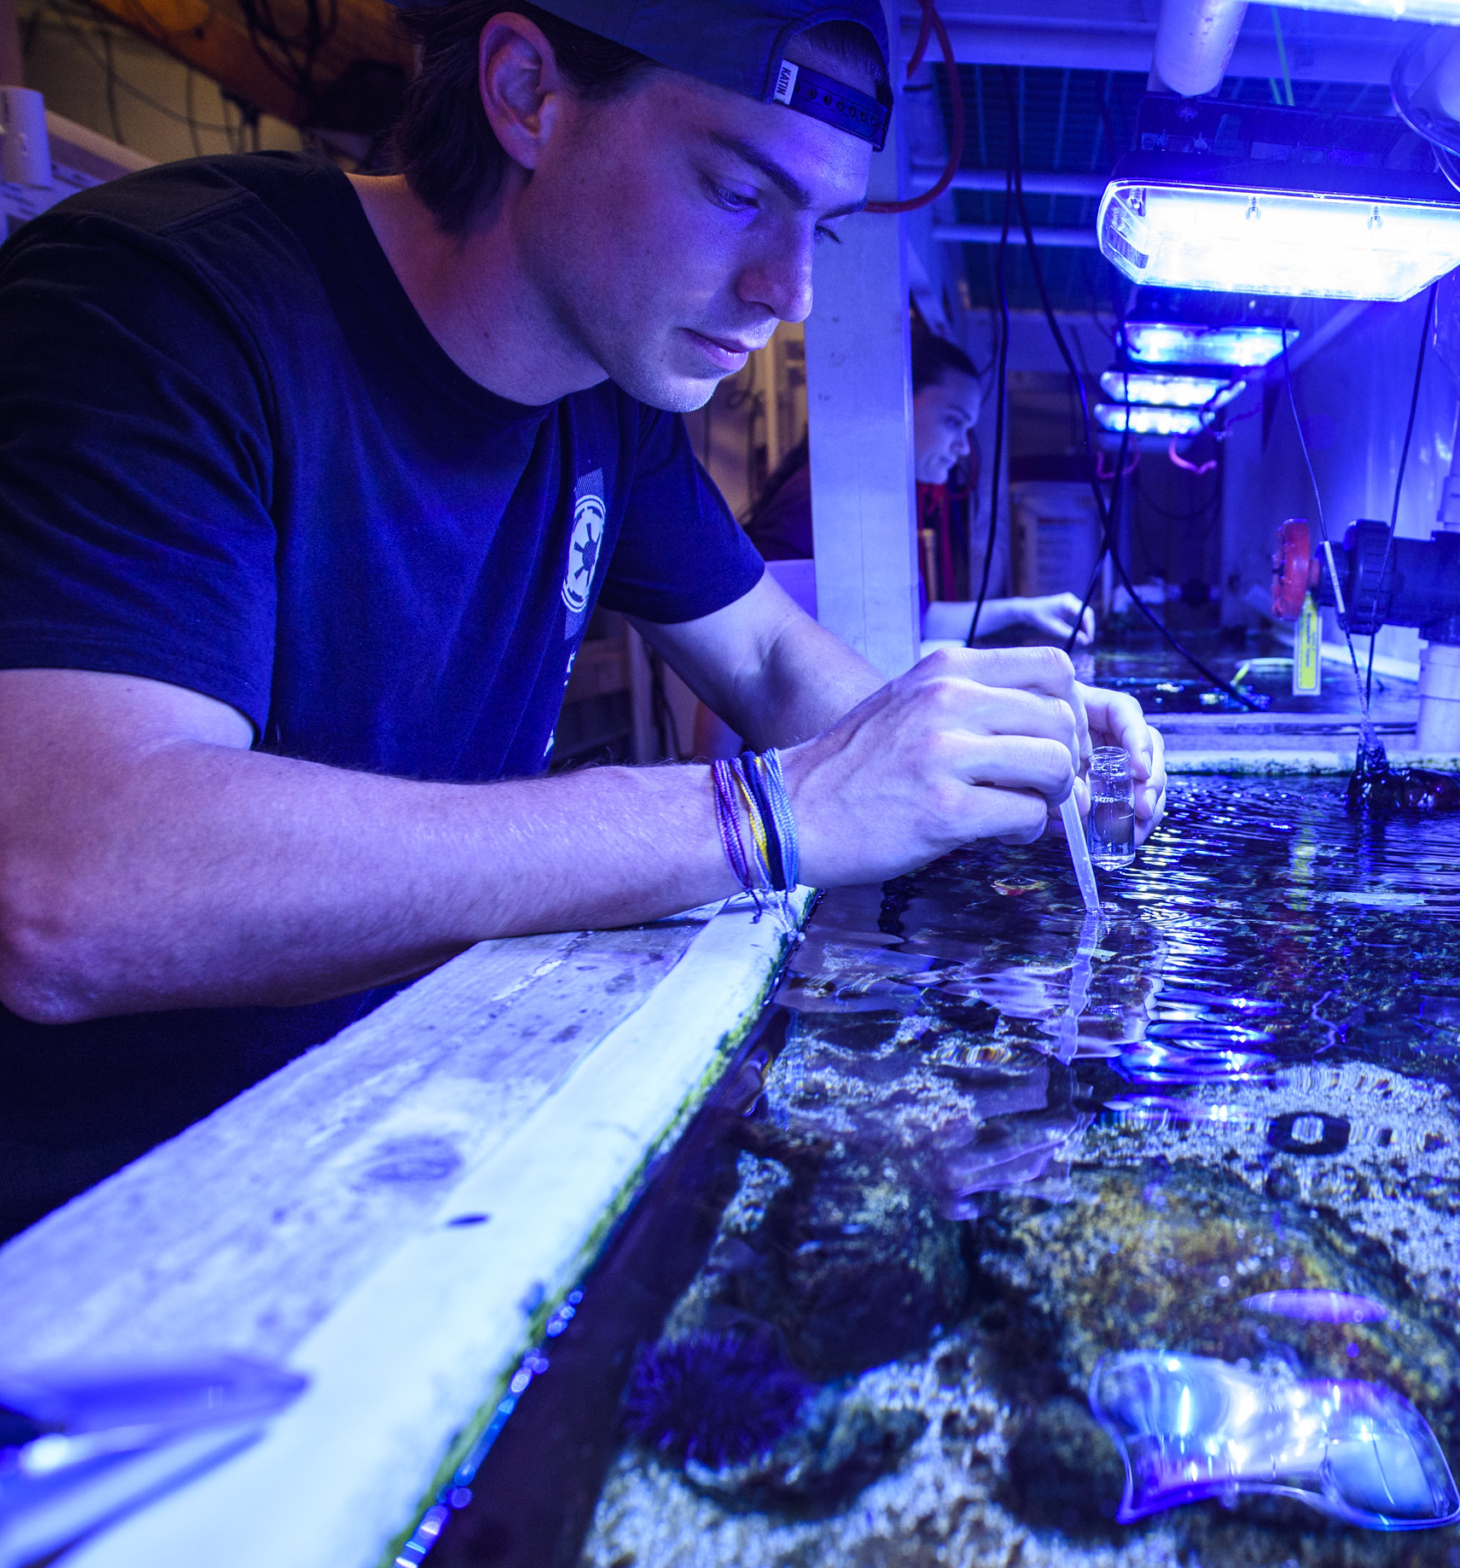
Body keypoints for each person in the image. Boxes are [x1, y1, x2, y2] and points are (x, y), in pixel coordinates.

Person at [0, 0, 1166, 1236]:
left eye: (816, 227)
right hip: (94, 1241)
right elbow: (71, 883)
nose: (790, 290)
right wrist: (772, 813)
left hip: (392, 1135)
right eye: (735, 192)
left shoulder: (601, 404)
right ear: (525, 94)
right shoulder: (162, 305)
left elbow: (771, 659)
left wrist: (1001, 774)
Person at [740, 322, 1097, 646]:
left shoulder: (862, 496)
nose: (962, 447)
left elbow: (918, 620)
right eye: (953, 422)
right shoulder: (829, 499)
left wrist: (1024, 610)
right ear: (896, 403)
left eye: (967, 429)